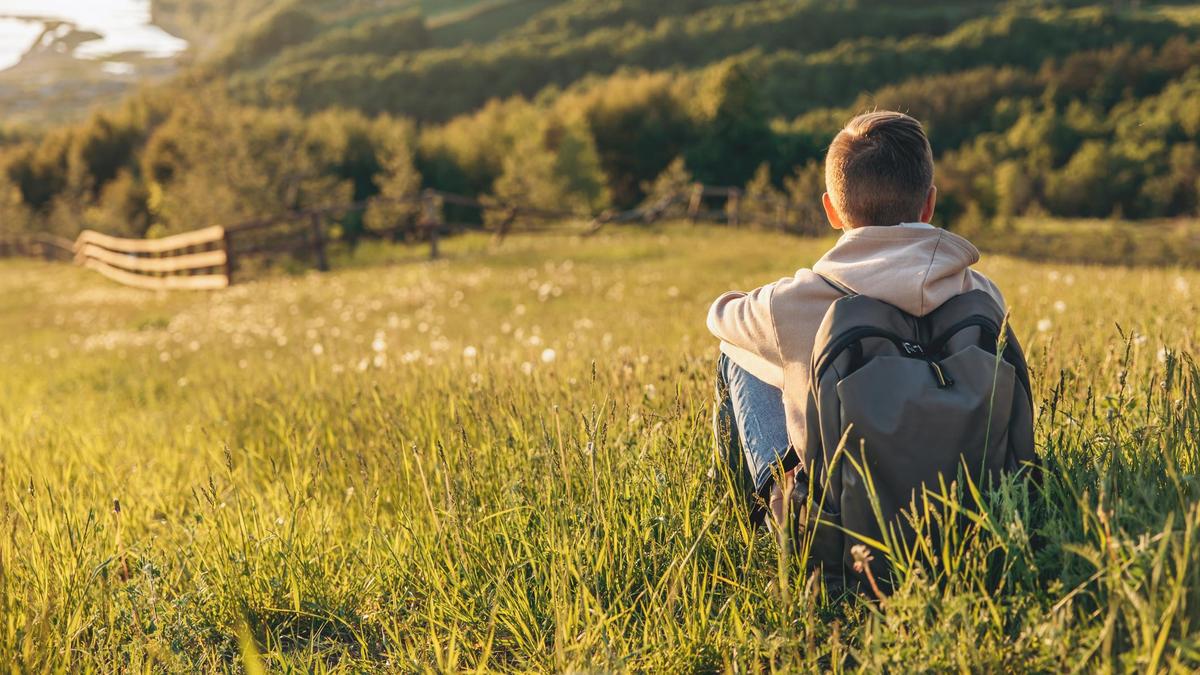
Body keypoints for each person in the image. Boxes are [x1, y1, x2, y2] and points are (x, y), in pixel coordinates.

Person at [709, 110, 1010, 534]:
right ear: (929, 204)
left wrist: (790, 355)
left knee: (737, 354)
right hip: (980, 512)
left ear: (832, 210)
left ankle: (764, 516)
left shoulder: (795, 301)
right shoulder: (983, 294)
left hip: (844, 525)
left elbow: (719, 318)